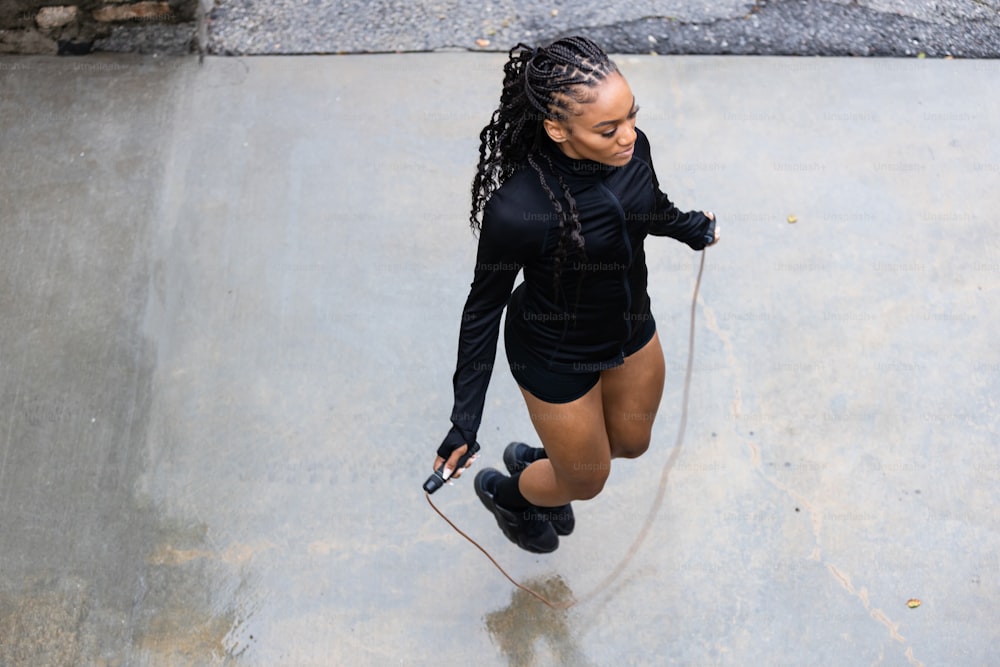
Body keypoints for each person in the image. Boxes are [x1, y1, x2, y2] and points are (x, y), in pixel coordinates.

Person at [432, 36, 720, 553]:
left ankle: (546, 459)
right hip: (554, 355)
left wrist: (691, 227)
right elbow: (482, 310)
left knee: (632, 442)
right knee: (588, 479)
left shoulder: (633, 149)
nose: (628, 136)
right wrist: (464, 422)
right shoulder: (518, 209)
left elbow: (648, 206)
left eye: (631, 117)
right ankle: (510, 496)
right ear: (556, 128)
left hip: (631, 327)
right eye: (608, 129)